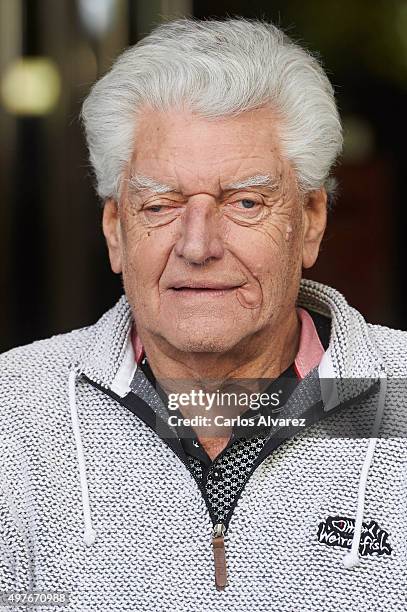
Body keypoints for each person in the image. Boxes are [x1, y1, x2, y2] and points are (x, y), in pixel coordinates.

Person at [1, 17, 406, 612]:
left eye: (245, 202)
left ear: (311, 221)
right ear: (116, 229)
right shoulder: (14, 414)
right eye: (160, 204)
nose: (197, 245)